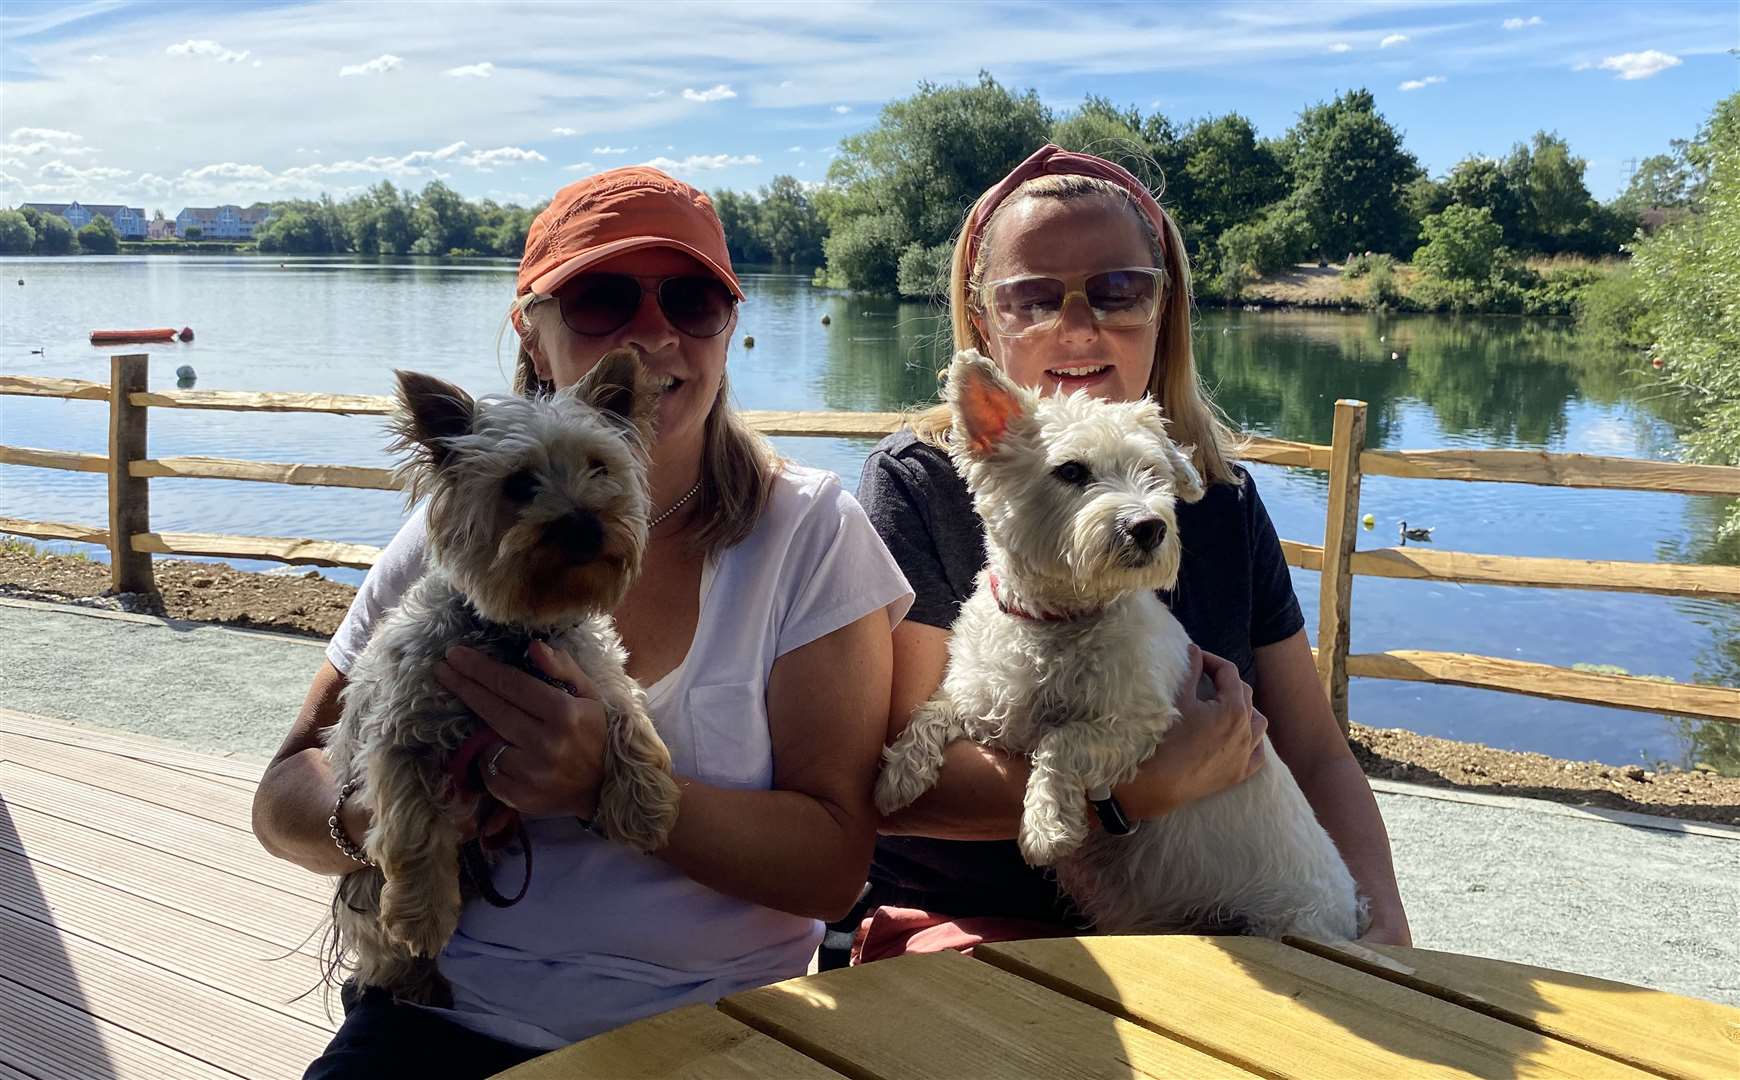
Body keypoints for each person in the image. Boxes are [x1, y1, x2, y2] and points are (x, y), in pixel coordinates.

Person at [251, 166, 913, 1077]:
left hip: (712, 1030)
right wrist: (394, 817)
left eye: (692, 299)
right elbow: (281, 799)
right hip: (442, 1009)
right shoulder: (452, 532)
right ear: (532, 330)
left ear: (730, 323)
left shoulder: (811, 535)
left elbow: (834, 868)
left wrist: (603, 778)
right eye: (602, 299)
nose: (654, 334)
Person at [838, 144, 1410, 963]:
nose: (1077, 328)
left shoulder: (1221, 497)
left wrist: (1378, 915)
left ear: (1164, 308)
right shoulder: (920, 484)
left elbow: (1316, 753)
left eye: (1118, 291)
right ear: (982, 319)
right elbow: (887, 785)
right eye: (1032, 298)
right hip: (968, 927)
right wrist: (1134, 789)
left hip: (1227, 929)